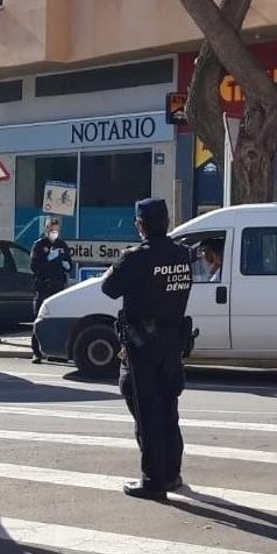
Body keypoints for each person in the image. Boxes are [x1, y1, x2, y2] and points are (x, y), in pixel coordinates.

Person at [101, 198, 192, 502]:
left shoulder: (135, 257)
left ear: (140, 224)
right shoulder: (181, 254)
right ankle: (171, 474)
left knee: (147, 412)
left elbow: (108, 288)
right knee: (168, 411)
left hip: (143, 346)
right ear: (167, 222)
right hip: (172, 343)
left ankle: (153, 481)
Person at [30, 218, 73, 363]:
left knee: (57, 320)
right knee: (39, 319)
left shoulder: (62, 245)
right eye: (51, 229)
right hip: (43, 287)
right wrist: (49, 259)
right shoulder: (39, 245)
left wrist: (65, 264)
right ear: (46, 229)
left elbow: (69, 264)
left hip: (58, 287)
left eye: (57, 230)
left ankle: (55, 353)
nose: (54, 232)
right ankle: (36, 352)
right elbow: (34, 267)